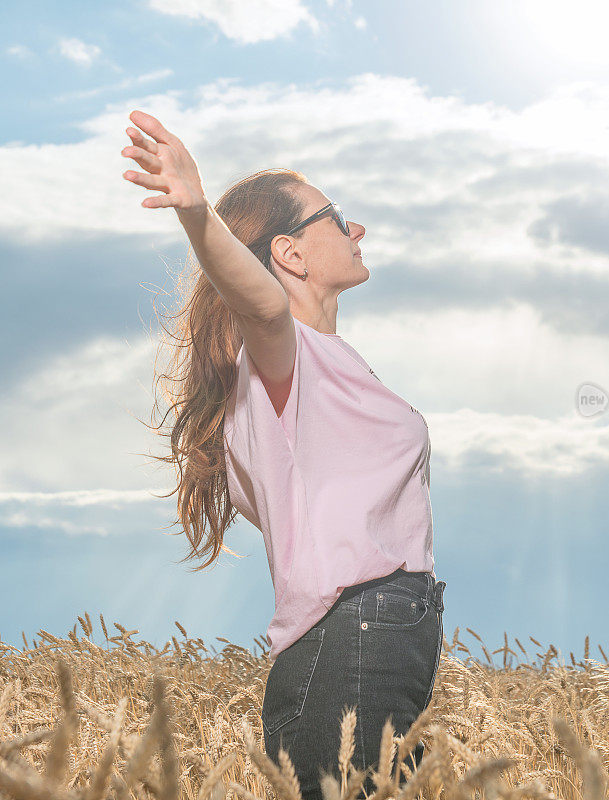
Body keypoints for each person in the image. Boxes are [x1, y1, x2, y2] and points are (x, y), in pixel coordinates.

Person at [121, 109, 446, 799]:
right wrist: (197, 214)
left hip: (375, 642)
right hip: (355, 639)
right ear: (290, 254)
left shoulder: (322, 367)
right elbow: (265, 311)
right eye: (337, 217)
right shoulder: (281, 360)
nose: (357, 230)